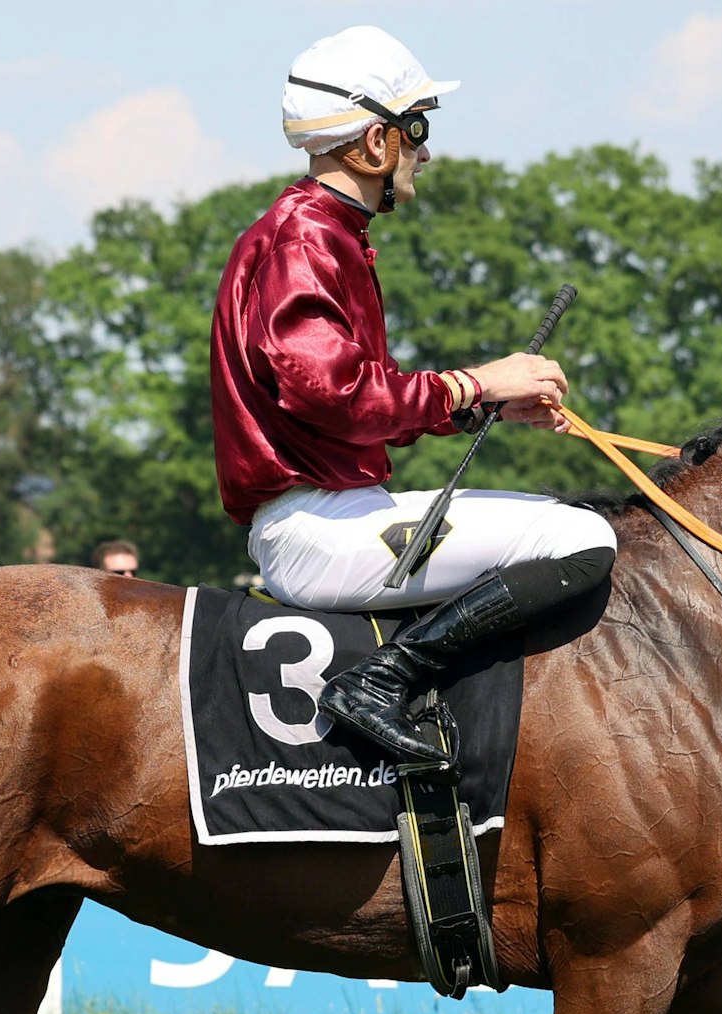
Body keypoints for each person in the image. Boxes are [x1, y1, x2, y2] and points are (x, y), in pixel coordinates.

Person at [211, 25, 616, 765]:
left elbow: (357, 404)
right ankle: (381, 682)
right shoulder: (306, 239)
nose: (424, 151)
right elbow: (331, 393)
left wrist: (479, 405)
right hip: (316, 527)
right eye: (415, 131)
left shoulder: (324, 232)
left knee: (568, 524)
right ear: (373, 145)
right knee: (583, 539)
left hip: (330, 511)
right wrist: (474, 381)